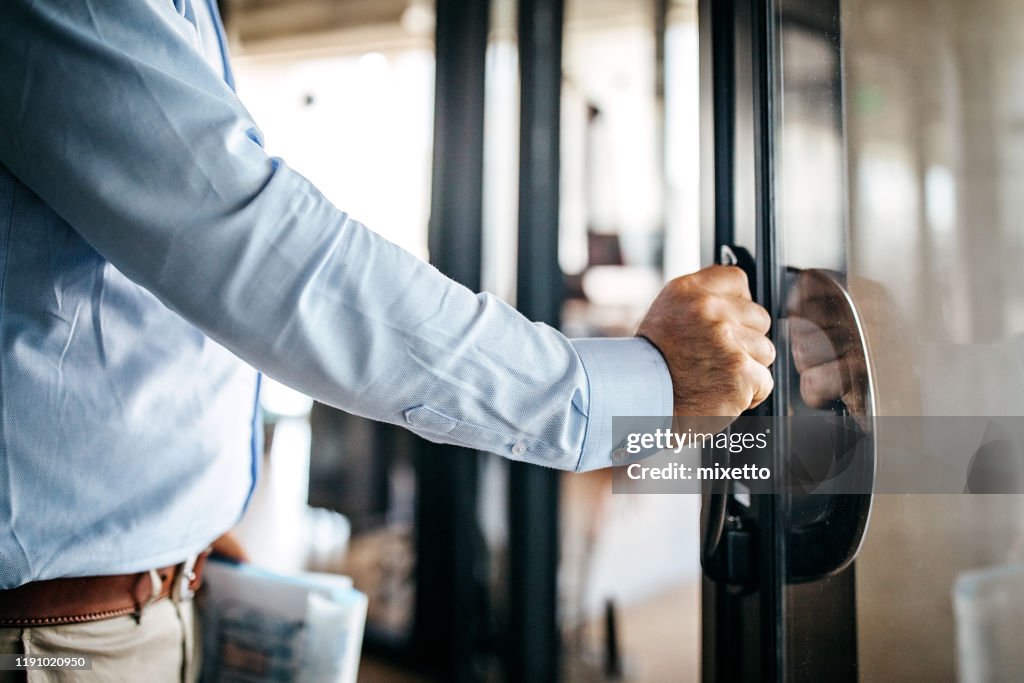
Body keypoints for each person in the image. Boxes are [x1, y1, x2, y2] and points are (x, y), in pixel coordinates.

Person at [0, 0, 774, 679]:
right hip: (52, 637)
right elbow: (263, 253)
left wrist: (187, 529)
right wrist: (625, 390)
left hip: (149, 596)